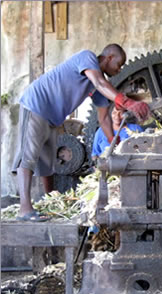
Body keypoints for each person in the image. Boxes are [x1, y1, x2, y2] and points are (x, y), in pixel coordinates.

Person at [12, 44, 151, 222]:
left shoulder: (97, 88)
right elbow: (99, 82)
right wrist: (127, 102)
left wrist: (114, 146)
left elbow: (104, 119)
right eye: (119, 63)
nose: (120, 69)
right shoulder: (87, 57)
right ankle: (24, 209)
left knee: (47, 162)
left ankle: (51, 201)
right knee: (28, 156)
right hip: (37, 104)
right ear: (109, 57)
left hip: (52, 117)